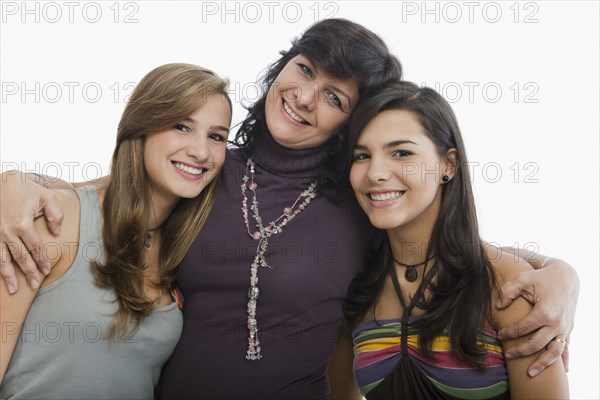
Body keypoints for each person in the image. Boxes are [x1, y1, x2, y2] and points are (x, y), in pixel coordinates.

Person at [0, 19, 578, 399]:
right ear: (283, 65)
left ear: (350, 122)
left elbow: (442, 237)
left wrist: (559, 272)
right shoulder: (205, 167)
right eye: (304, 69)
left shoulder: (359, 199)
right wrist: (14, 183)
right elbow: (107, 188)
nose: (304, 96)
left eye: (334, 97)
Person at [0, 63, 232, 399]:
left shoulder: (184, 251)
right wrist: (10, 180)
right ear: (142, 126)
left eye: (217, 136)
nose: (200, 151)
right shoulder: (56, 220)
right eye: (182, 126)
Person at [344, 81, 569, 398]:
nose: (375, 172)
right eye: (361, 155)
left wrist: (561, 270)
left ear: (447, 164)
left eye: (401, 152)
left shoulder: (508, 285)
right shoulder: (358, 286)